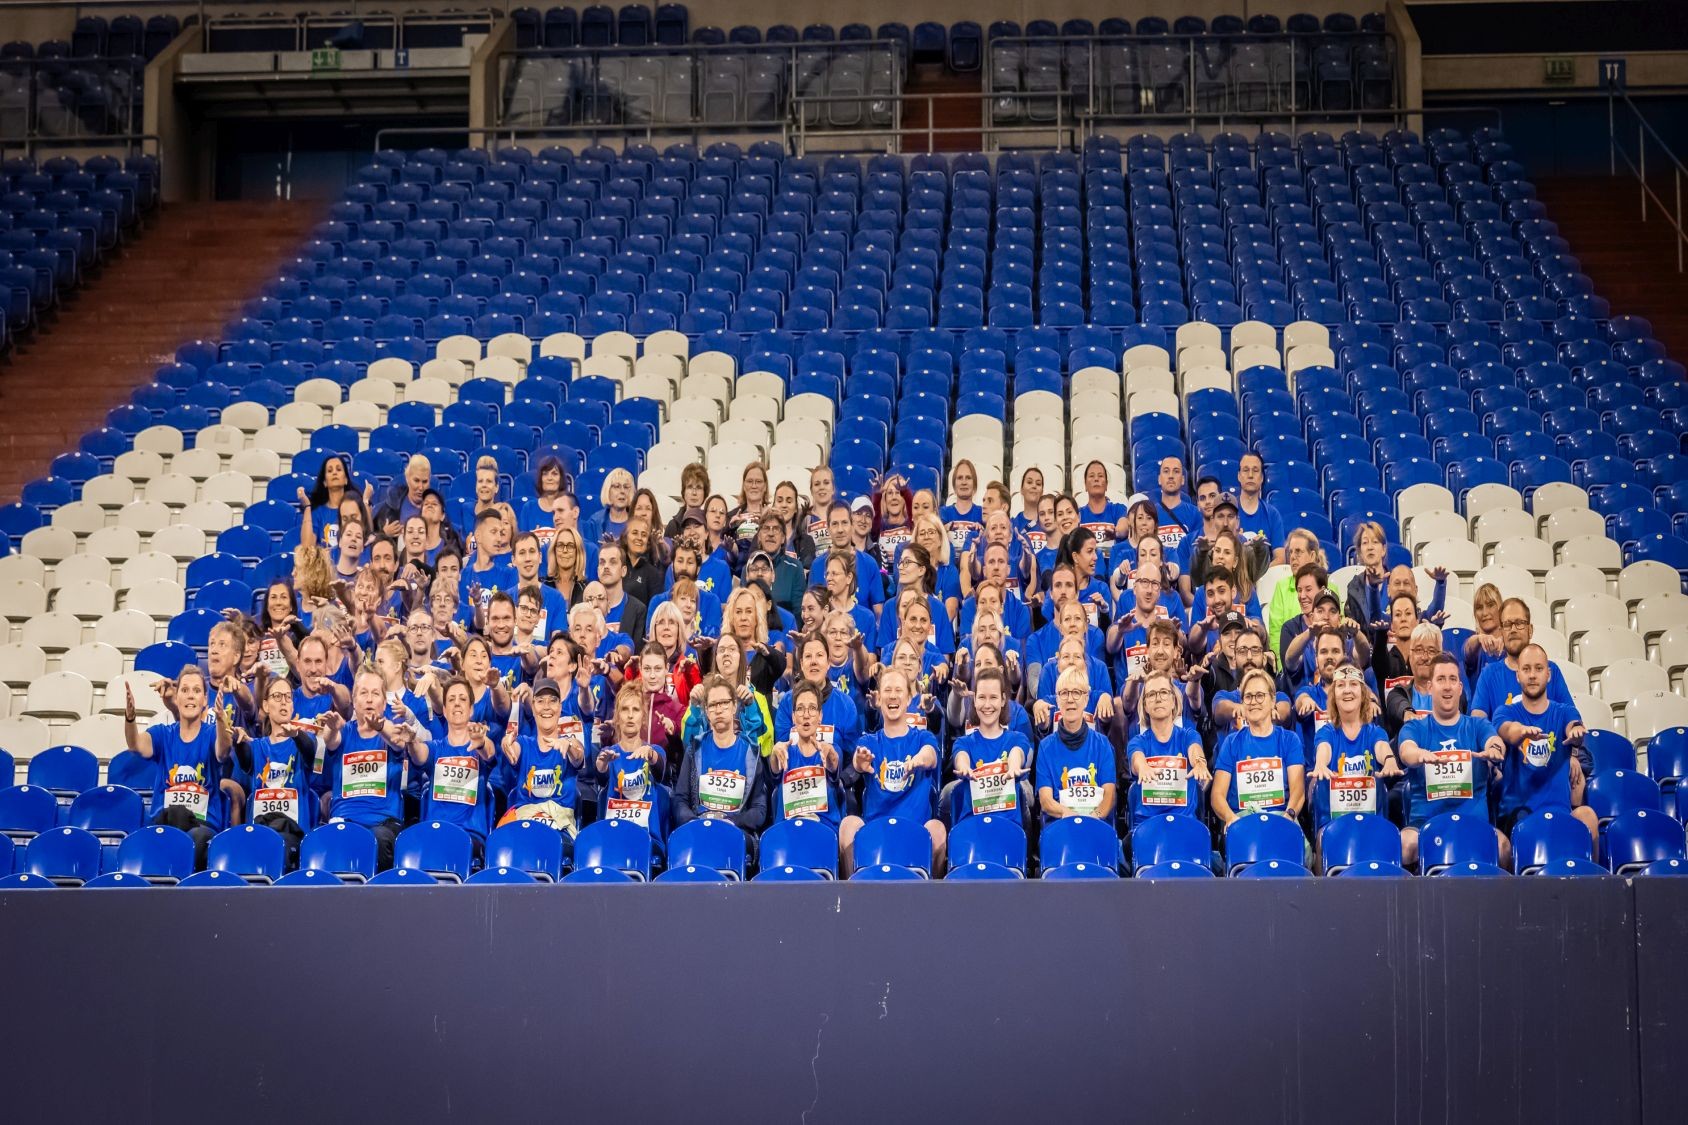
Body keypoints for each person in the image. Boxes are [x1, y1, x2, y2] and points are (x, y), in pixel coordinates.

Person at [1397, 654, 1509, 870]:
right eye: (1441, 679)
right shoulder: (1415, 728)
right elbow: (1405, 751)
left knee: (1503, 847)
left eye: (1452, 679)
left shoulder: (1477, 725)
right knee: (1403, 844)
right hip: (1424, 825)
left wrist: (1494, 750)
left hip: (1474, 824)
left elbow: (1494, 741)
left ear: (1460, 687)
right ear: (1430, 687)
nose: (1447, 686)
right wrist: (1419, 755)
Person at [123, 667, 237, 869]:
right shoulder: (162, 734)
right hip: (165, 821)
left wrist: (221, 720)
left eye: (196, 690)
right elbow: (136, 745)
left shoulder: (211, 734)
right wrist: (130, 718)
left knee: (196, 841)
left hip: (201, 825)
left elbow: (223, 751)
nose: (190, 696)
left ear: (205, 700)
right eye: (184, 690)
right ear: (176, 698)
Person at [838, 668, 945, 877]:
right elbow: (858, 761)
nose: (893, 696)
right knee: (848, 825)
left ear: (909, 699)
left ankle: (930, 892)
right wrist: (859, 762)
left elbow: (931, 755)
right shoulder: (868, 742)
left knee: (938, 829)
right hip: (876, 834)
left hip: (914, 833)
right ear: (878, 699)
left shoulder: (922, 738)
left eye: (898, 690)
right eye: (887, 690)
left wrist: (919, 759)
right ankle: (854, 890)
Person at [320, 669, 428, 869]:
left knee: (377, 840)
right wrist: (332, 727)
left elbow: (397, 742)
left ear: (384, 703)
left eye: (375, 693)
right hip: (344, 820)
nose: (369, 699)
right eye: (363, 693)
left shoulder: (392, 731)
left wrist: (379, 728)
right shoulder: (345, 732)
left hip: (383, 824)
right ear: (354, 701)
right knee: (326, 841)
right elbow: (330, 740)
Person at [1493, 644, 1599, 847]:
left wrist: (1575, 733)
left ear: (1548, 675)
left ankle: (1588, 869)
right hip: (1518, 816)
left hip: (1559, 815)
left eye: (1539, 668)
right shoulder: (1505, 712)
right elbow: (1508, 730)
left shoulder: (1564, 711)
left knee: (1587, 815)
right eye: (1526, 669)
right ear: (1518, 676)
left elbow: (1574, 726)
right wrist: (1521, 732)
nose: (1532, 675)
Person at [1308, 664, 1401, 843]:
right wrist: (1320, 764)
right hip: (1334, 822)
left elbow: (1381, 747)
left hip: (1371, 821)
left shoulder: (1374, 732)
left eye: (1353, 684)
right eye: (1341, 685)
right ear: (1333, 695)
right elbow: (1324, 748)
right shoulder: (1327, 732)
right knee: (1322, 840)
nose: (1347, 690)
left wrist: (1389, 760)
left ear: (1363, 693)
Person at [674, 674, 769, 839]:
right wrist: (694, 822)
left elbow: (759, 809)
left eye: (724, 703)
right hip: (699, 831)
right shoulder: (694, 749)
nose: (718, 710)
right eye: (712, 705)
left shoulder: (751, 753)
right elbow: (680, 800)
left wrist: (733, 822)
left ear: (734, 706)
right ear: (706, 711)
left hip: (737, 832)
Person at [1210, 667, 1307, 828]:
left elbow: (1298, 791)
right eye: (1248, 697)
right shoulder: (1231, 742)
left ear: (1273, 701)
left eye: (1260, 696)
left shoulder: (1290, 740)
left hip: (1282, 820)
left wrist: (1289, 815)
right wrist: (1230, 817)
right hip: (1242, 822)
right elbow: (1217, 796)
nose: (1254, 701)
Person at [497, 677, 586, 833]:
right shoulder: (524, 744)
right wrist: (506, 743)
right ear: (533, 707)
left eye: (552, 701)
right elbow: (513, 749)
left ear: (560, 707)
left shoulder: (568, 743)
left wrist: (568, 746)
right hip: (525, 828)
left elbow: (578, 754)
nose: (546, 707)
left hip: (560, 832)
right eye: (540, 701)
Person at [945, 667, 1032, 824]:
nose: (987, 705)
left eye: (993, 697)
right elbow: (961, 757)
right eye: (982, 697)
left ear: (1003, 700)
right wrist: (964, 767)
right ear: (974, 700)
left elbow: (1017, 753)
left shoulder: (1017, 739)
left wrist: (1013, 766)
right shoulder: (964, 742)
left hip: (1008, 827)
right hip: (972, 826)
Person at [1125, 669, 1208, 830]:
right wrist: (1143, 767)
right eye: (1151, 694)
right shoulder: (1138, 741)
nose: (1158, 699)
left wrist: (1199, 763)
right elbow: (1137, 759)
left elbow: (1195, 750)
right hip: (1147, 827)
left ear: (1173, 701)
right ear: (1145, 706)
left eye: (1163, 692)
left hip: (1184, 826)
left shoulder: (1188, 735)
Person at [1035, 666, 1119, 823]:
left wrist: (1092, 819)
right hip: (1060, 827)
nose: (1070, 699)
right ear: (1057, 700)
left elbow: (1109, 796)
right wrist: (1071, 817)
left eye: (1076, 692)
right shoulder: (1045, 747)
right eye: (1064, 693)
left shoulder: (1102, 744)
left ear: (1086, 699)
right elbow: (1046, 801)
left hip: (1096, 823)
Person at [593, 685, 669, 850]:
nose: (630, 715)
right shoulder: (608, 754)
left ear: (643, 717)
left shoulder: (654, 751)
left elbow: (660, 769)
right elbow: (601, 776)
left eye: (635, 710)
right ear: (617, 717)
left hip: (648, 840)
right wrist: (601, 766)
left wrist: (650, 755)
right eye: (625, 709)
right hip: (614, 838)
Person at [1469, 598, 1574, 718]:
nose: (1513, 629)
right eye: (1507, 624)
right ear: (1501, 632)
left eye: (1519, 623)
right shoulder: (1488, 674)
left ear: (1530, 630)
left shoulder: (1551, 670)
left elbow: (1572, 718)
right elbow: (1477, 721)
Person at [768, 680, 847, 829]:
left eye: (812, 708)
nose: (806, 715)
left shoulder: (831, 750)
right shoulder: (785, 752)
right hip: (788, 831)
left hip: (823, 829)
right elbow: (775, 770)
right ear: (793, 717)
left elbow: (833, 766)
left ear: (820, 716)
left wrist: (831, 757)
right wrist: (774, 755)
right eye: (800, 709)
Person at [1234, 452, 1285, 564]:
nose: (1250, 475)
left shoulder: (1272, 515)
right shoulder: (1229, 511)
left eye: (1255, 470)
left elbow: (1280, 558)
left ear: (1262, 477)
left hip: (1265, 573)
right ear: (1239, 476)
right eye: (1246, 470)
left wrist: (1260, 572)